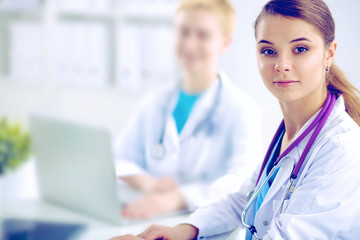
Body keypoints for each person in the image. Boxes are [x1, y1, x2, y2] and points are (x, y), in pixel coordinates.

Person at [110, 0, 360, 238]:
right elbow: (241, 200)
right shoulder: (291, 133)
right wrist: (185, 230)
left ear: (329, 54)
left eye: (300, 49)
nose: (282, 65)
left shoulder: (341, 149)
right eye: (269, 51)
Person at [116, 0, 262, 219]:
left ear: (225, 43)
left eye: (203, 35)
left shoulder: (242, 108)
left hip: (206, 223)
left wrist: (178, 198)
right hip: (149, 215)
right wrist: (149, 184)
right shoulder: (154, 101)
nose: (190, 44)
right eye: (184, 32)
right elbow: (119, 159)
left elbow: (243, 183)